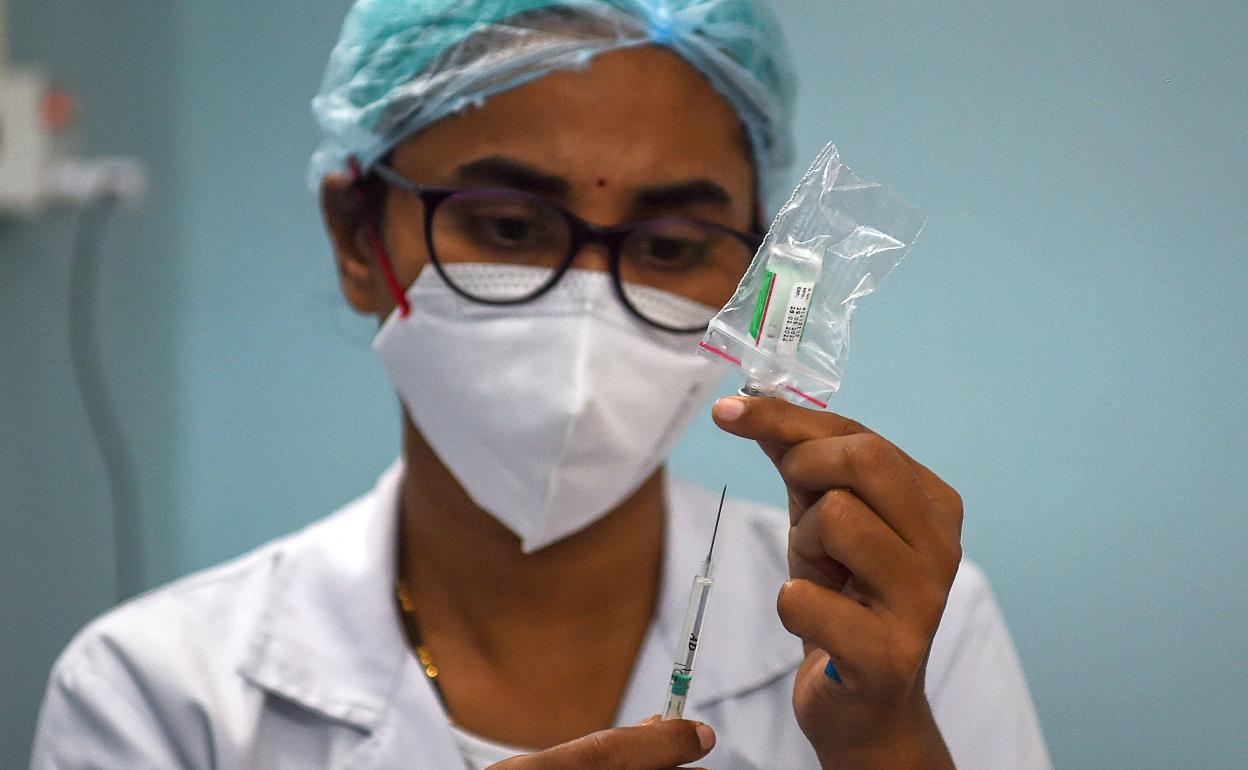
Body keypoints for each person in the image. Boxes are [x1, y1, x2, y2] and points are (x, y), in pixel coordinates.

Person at [31, 1, 1050, 768]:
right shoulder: (158, 695)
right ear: (356, 236)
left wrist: (888, 749)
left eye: (670, 243)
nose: (588, 305)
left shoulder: (894, 639)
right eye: (510, 226)